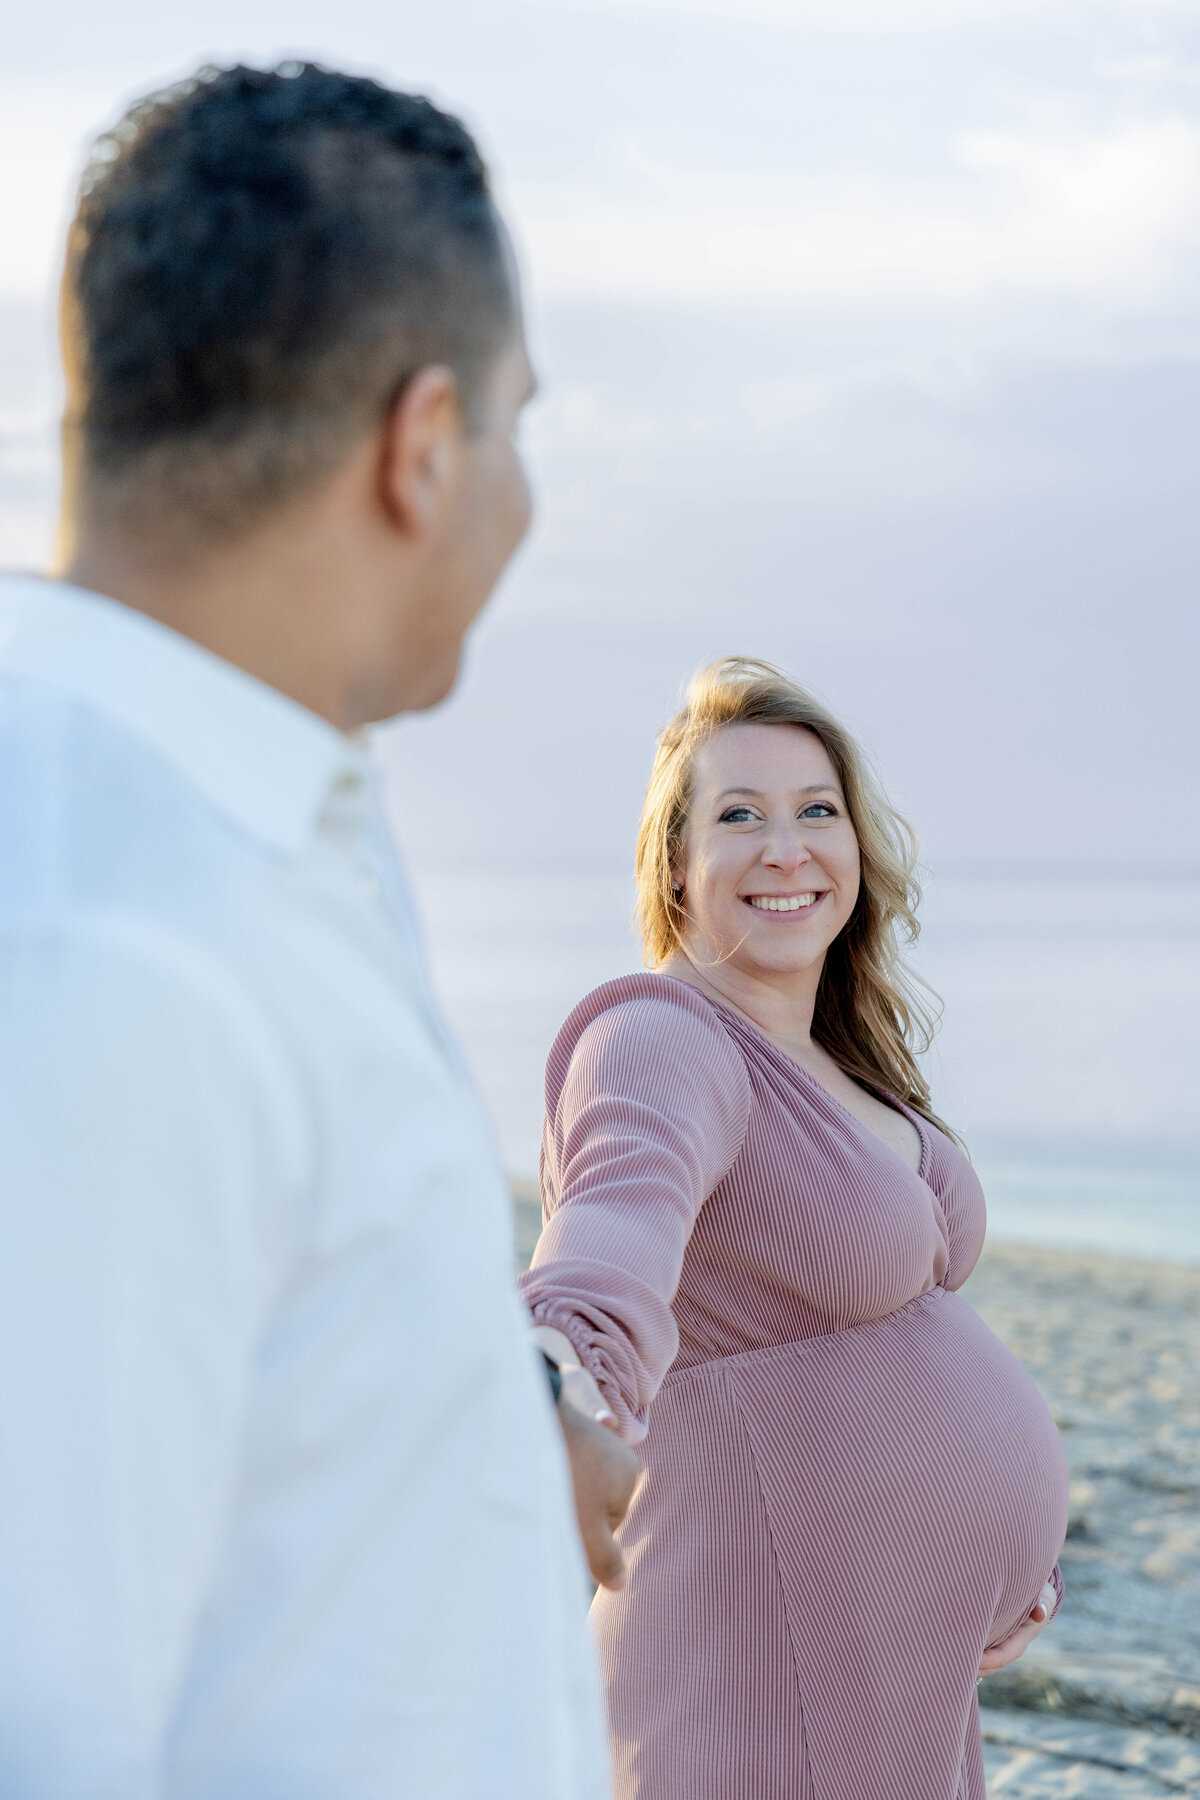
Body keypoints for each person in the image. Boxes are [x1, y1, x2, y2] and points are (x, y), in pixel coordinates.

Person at [0, 62, 636, 1797]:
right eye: (516, 423)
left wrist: (501, 1418)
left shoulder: (249, 803)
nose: (519, 489)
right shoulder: (105, 938)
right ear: (421, 447)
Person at [521, 657, 1069, 1800]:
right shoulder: (661, 1043)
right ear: (675, 867)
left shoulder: (839, 1055)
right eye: (739, 816)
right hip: (750, 1662)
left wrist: (1005, 1573)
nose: (787, 847)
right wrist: (553, 1398)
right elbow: (607, 1248)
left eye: (817, 810)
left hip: (892, 1671)